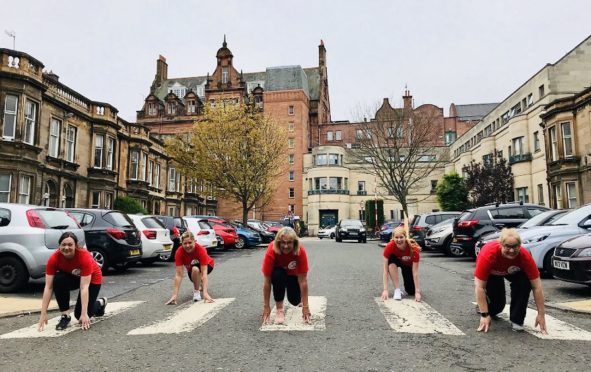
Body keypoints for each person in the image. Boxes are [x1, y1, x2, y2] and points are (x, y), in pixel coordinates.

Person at [474, 228, 547, 334]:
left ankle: (517, 320)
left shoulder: (524, 256)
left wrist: (541, 314)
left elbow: (537, 287)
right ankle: (485, 305)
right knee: (497, 307)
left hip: (512, 272)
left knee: (524, 282)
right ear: (501, 245)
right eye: (508, 246)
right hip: (492, 274)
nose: (512, 251)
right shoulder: (488, 254)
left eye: (515, 247)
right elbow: (479, 286)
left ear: (520, 245)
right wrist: (484, 315)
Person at [38, 232, 107, 331]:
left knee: (80, 315)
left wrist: (84, 314)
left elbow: (84, 287)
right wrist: (43, 313)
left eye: (70, 245)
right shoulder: (54, 258)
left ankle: (100, 303)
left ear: (76, 246)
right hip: (73, 277)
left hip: (92, 279)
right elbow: (48, 287)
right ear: (59, 245)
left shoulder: (84, 256)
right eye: (63, 245)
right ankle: (65, 316)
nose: (66, 248)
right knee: (58, 279)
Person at [261, 227, 311, 324]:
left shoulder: (300, 251)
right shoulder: (271, 250)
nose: (286, 246)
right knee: (278, 274)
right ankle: (280, 310)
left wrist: (305, 307)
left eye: (289, 243)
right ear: (278, 242)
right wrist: (266, 306)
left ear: (295, 243)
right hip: (279, 276)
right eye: (283, 242)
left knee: (295, 301)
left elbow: (303, 280)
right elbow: (267, 281)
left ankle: (298, 299)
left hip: (293, 276)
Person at [166, 231, 215, 305]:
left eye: (190, 242)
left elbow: (204, 273)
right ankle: (200, 283)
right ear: (181, 243)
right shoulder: (179, 252)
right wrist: (174, 295)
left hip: (208, 264)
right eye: (185, 243)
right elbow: (179, 275)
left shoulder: (201, 250)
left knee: (196, 270)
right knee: (195, 270)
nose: (187, 246)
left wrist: (205, 293)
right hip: (192, 268)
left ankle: (196, 292)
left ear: (194, 241)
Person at [380, 226, 422, 302]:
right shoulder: (389, 246)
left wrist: (417, 292)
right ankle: (397, 290)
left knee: (411, 291)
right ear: (393, 238)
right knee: (391, 259)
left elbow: (415, 273)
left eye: (401, 237)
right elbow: (385, 271)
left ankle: (411, 289)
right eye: (396, 237)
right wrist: (385, 290)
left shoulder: (414, 249)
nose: (399, 240)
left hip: (407, 265)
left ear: (405, 237)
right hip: (395, 261)